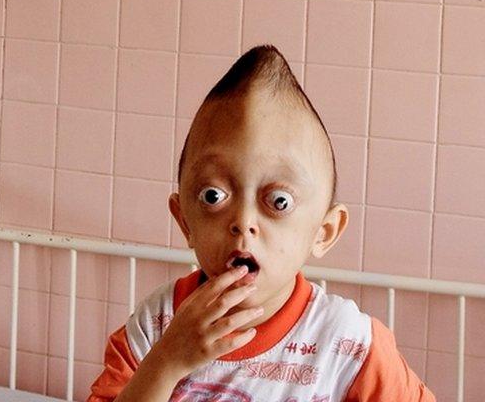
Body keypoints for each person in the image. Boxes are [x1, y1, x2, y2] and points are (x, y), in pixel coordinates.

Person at [87, 45, 434, 401]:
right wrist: (167, 362)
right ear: (184, 220)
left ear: (324, 231)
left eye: (278, 201)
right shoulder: (155, 327)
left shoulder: (350, 347)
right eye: (213, 196)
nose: (243, 222)